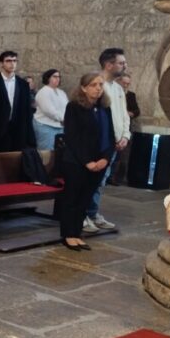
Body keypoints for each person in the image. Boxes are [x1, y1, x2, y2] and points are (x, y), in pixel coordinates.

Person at [57, 73, 114, 250]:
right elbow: (72, 137)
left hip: (99, 161)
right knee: (72, 199)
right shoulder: (74, 107)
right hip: (76, 161)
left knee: (85, 199)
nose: (98, 88)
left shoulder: (105, 108)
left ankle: (77, 233)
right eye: (93, 85)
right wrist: (87, 161)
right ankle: (68, 235)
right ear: (83, 88)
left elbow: (109, 135)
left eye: (100, 85)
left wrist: (105, 158)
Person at [84, 47, 130, 232]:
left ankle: (93, 213)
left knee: (100, 182)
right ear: (109, 65)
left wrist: (125, 135)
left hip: (114, 143)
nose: (124, 65)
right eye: (121, 63)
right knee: (90, 181)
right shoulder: (96, 85)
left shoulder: (118, 88)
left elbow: (123, 115)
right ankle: (84, 215)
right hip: (99, 143)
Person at [0, 50, 34, 152]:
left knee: (15, 162)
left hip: (17, 130)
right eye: (8, 61)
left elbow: (27, 111)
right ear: (1, 63)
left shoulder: (23, 84)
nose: (12, 64)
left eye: (14, 61)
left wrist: (29, 135)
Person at [110, 73, 140, 185]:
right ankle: (107, 175)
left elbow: (136, 111)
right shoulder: (113, 92)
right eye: (124, 83)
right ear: (119, 81)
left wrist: (130, 113)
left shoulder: (130, 95)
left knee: (121, 154)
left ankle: (114, 177)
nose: (126, 86)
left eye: (128, 84)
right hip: (114, 125)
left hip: (125, 126)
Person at [33, 69, 68, 151]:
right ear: (48, 78)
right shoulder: (43, 92)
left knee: (59, 152)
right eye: (54, 77)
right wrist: (64, 119)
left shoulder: (61, 92)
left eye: (59, 77)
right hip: (45, 126)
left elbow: (67, 107)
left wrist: (67, 118)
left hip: (60, 127)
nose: (57, 79)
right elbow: (49, 111)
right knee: (46, 152)